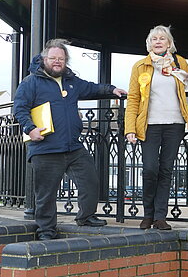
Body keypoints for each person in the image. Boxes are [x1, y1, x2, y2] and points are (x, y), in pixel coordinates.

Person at [13, 39, 127, 240]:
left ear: (65, 61)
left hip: (73, 147)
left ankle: (86, 216)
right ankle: (46, 231)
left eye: (61, 59)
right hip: (45, 147)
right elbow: (19, 108)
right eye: (53, 58)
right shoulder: (31, 82)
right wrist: (30, 129)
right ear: (44, 59)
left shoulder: (71, 81)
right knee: (46, 194)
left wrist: (111, 90)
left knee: (90, 180)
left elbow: (92, 88)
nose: (57, 62)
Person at [125, 25, 188, 230]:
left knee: (166, 170)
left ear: (169, 43)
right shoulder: (140, 66)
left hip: (174, 124)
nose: (158, 41)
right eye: (154, 38)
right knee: (149, 170)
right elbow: (133, 99)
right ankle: (147, 214)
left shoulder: (179, 62)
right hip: (149, 125)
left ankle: (159, 217)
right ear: (149, 43)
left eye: (162, 38)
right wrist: (130, 128)